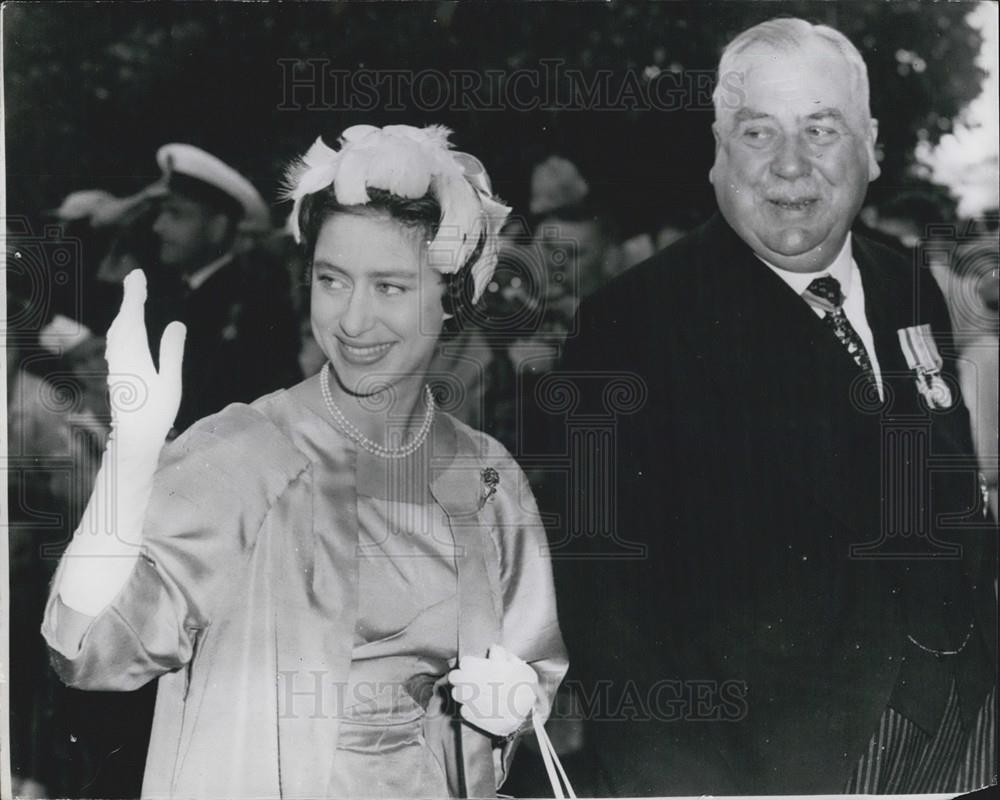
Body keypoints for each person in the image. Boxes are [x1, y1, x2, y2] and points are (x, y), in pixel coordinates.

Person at [41, 124, 567, 799]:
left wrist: (506, 715)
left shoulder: (487, 476)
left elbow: (528, 674)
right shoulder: (242, 449)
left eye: (390, 288)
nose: (352, 319)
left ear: (454, 296)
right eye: (332, 280)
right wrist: (130, 461)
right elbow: (86, 649)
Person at [541, 18, 996, 794]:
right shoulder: (631, 327)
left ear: (873, 147)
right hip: (776, 772)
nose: (790, 164)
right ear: (718, 153)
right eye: (758, 132)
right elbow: (614, 625)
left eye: (822, 130)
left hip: (968, 745)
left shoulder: (909, 287)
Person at [148, 143, 302, 431]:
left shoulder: (253, 305)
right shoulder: (174, 293)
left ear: (218, 227)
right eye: (161, 213)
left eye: (177, 214)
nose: (158, 226)